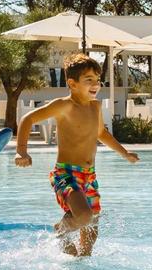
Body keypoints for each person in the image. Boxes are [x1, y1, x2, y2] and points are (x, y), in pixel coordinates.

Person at [15, 53, 139, 256]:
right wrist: (21, 151)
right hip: (66, 173)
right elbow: (28, 119)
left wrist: (124, 153)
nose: (95, 84)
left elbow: (101, 133)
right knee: (83, 217)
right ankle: (61, 231)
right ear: (72, 83)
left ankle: (82, 265)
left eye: (97, 80)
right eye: (88, 79)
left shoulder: (95, 106)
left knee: (91, 233)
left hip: (89, 175)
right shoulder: (64, 106)